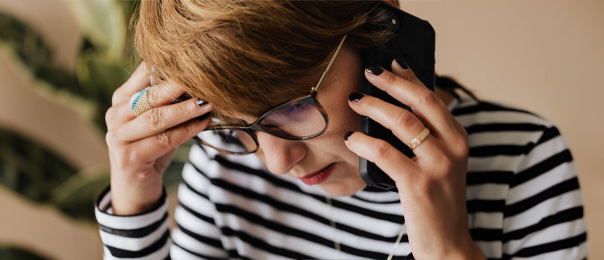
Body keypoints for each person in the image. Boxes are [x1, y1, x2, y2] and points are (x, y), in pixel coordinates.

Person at [96, 1, 588, 259]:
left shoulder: (522, 159)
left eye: (291, 108)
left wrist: (448, 250)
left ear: (383, 38)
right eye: (236, 124)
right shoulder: (226, 162)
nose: (276, 163)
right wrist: (133, 200)